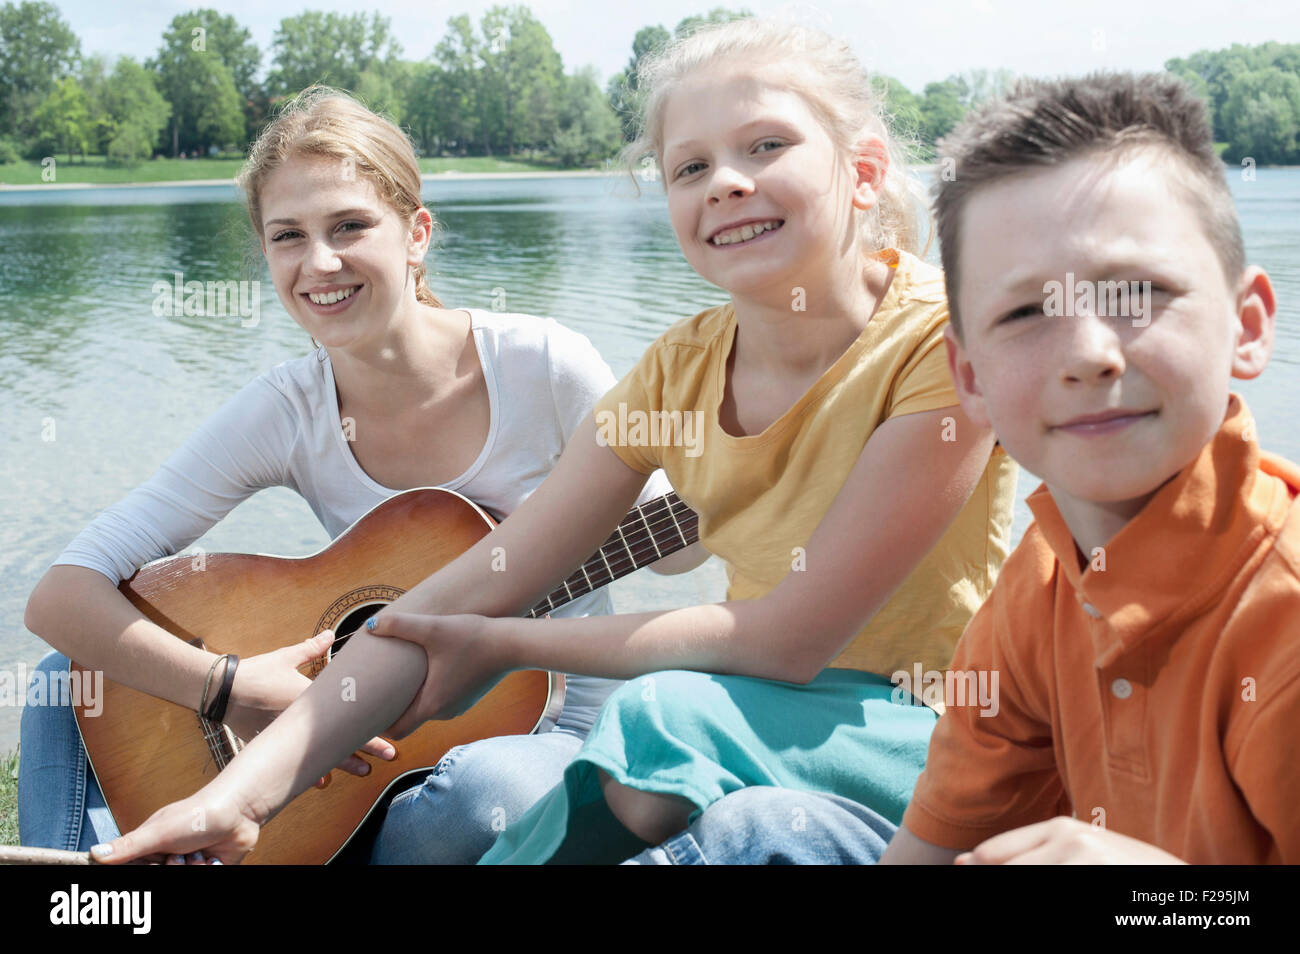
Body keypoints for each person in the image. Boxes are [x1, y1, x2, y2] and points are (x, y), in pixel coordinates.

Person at [90, 19, 1017, 866]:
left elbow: (788, 640)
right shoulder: (677, 372)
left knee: (663, 716)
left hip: (924, 729)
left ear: (862, 171)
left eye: (766, 146)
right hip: (744, 722)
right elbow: (457, 593)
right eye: (688, 168)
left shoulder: (943, 343)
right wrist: (239, 798)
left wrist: (498, 641)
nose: (726, 180)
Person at [646, 71, 1295, 866]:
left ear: (1249, 326)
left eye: (1136, 292)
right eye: (1025, 313)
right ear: (970, 378)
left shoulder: (1281, 625)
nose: (1089, 355)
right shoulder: (1039, 589)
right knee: (753, 836)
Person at [19, 86, 681, 864]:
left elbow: (680, 544)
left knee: (488, 790)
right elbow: (62, 595)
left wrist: (745, 474)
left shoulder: (541, 365)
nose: (319, 263)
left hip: (538, 738)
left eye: (350, 226)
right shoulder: (286, 411)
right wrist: (225, 686)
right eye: (287, 236)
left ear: (416, 233)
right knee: (72, 675)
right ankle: (84, 891)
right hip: (353, 743)